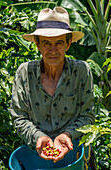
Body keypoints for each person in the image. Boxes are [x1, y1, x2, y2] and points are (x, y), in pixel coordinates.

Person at [10, 7, 95, 163]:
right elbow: (19, 117)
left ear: (69, 43)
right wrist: (39, 137)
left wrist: (67, 135)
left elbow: (87, 116)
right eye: (47, 43)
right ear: (37, 44)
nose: (53, 50)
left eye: (59, 43)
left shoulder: (81, 72)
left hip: (74, 153)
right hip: (36, 157)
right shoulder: (25, 73)